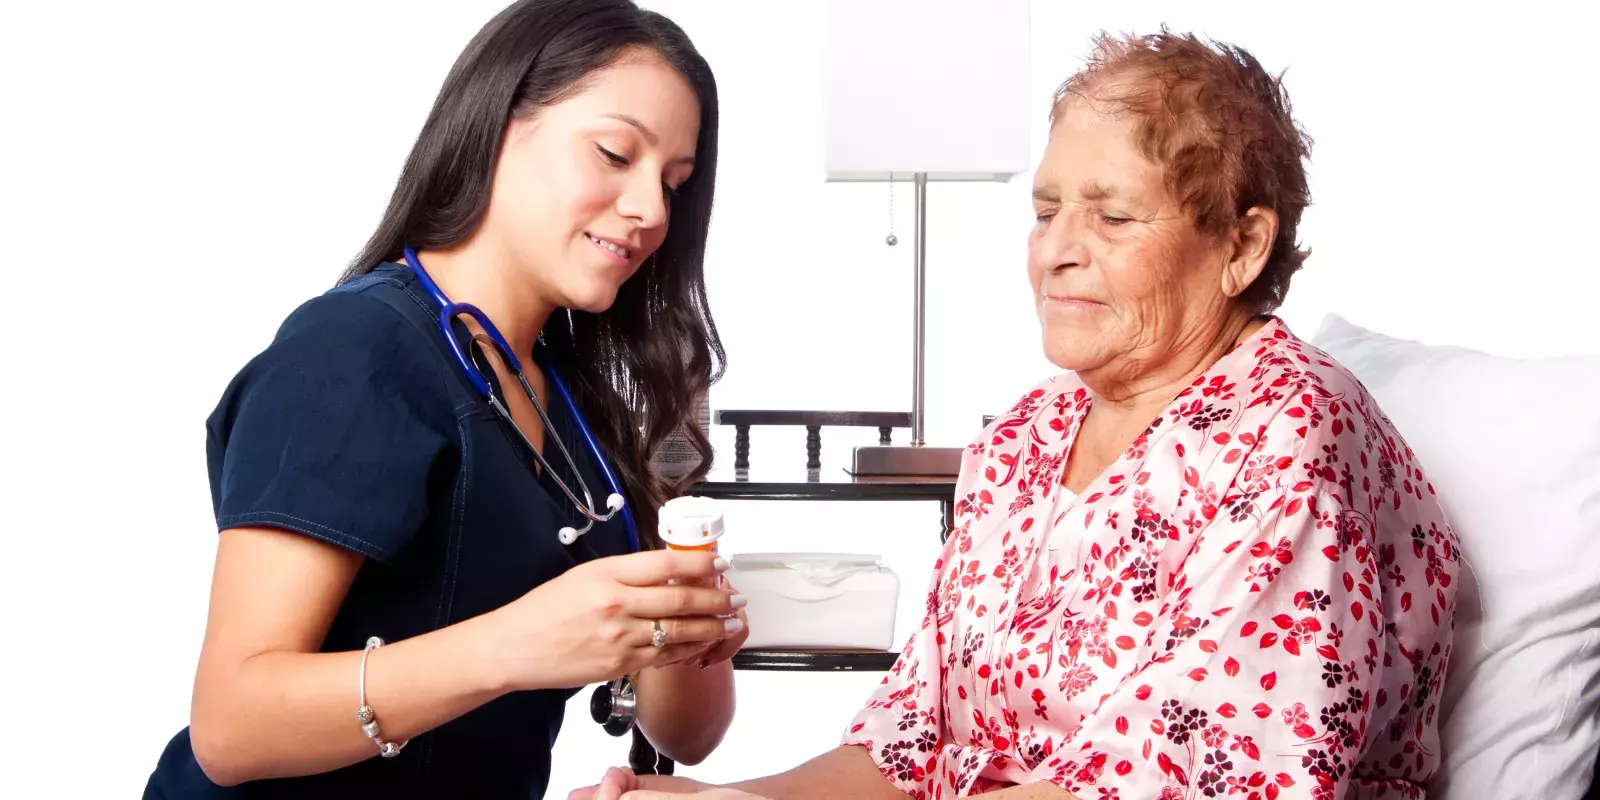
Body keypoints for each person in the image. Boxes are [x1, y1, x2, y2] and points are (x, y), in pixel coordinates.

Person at [574, 28, 1460, 800]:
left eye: (1112, 217)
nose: (1056, 253)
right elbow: (909, 745)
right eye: (1045, 211)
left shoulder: (1292, 430)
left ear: (1241, 245)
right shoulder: (1021, 437)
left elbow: (1199, 778)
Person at [142, 1, 749, 797]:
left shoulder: (571, 403)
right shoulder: (353, 352)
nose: (651, 210)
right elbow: (231, 725)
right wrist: (520, 643)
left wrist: (691, 613)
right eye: (614, 153)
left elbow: (689, 736)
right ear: (498, 123)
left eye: (674, 183)